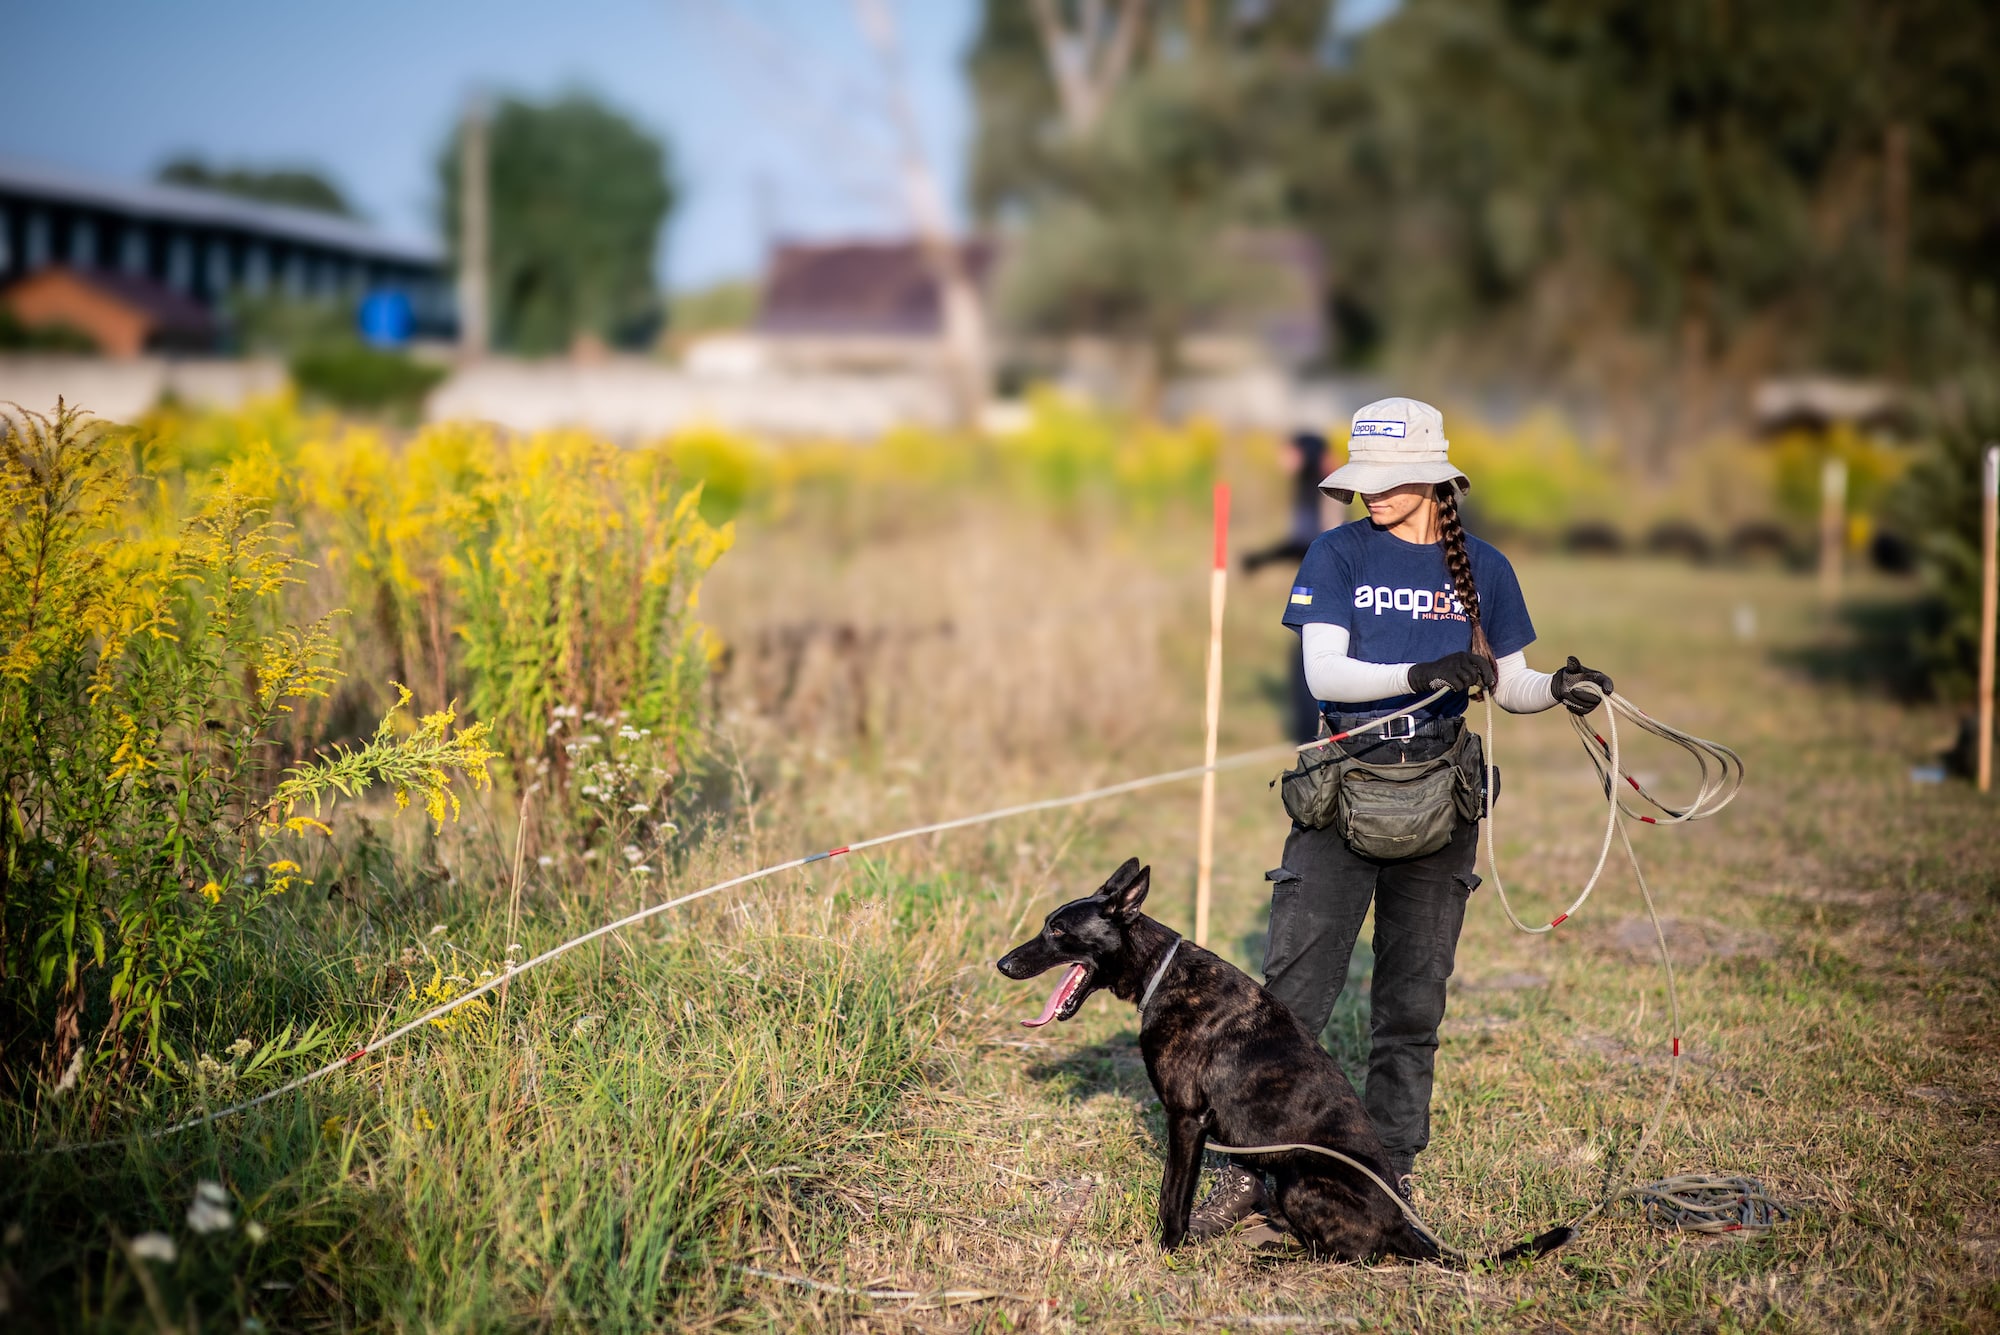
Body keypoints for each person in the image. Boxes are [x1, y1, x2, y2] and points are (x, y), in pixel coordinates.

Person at [1188, 396, 1615, 1239]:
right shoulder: (1335, 551)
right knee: (1290, 1005)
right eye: (1365, 480)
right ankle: (1253, 1176)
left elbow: (1508, 681)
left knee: (1411, 1006)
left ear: (1430, 479)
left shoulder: (1484, 568)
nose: (1370, 495)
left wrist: (1555, 690)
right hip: (1343, 794)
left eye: (1387, 482)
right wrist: (1423, 670)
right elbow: (1327, 674)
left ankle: (1389, 1174)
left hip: (1440, 803)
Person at [1243, 430, 1335, 743]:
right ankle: (1310, 733)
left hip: (1331, 588)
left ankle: (1311, 735)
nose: (1283, 459)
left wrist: (1263, 558)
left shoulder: (1324, 489)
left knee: (1309, 660)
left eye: (1291, 452)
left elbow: (1315, 542)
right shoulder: (1307, 485)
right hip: (1323, 584)